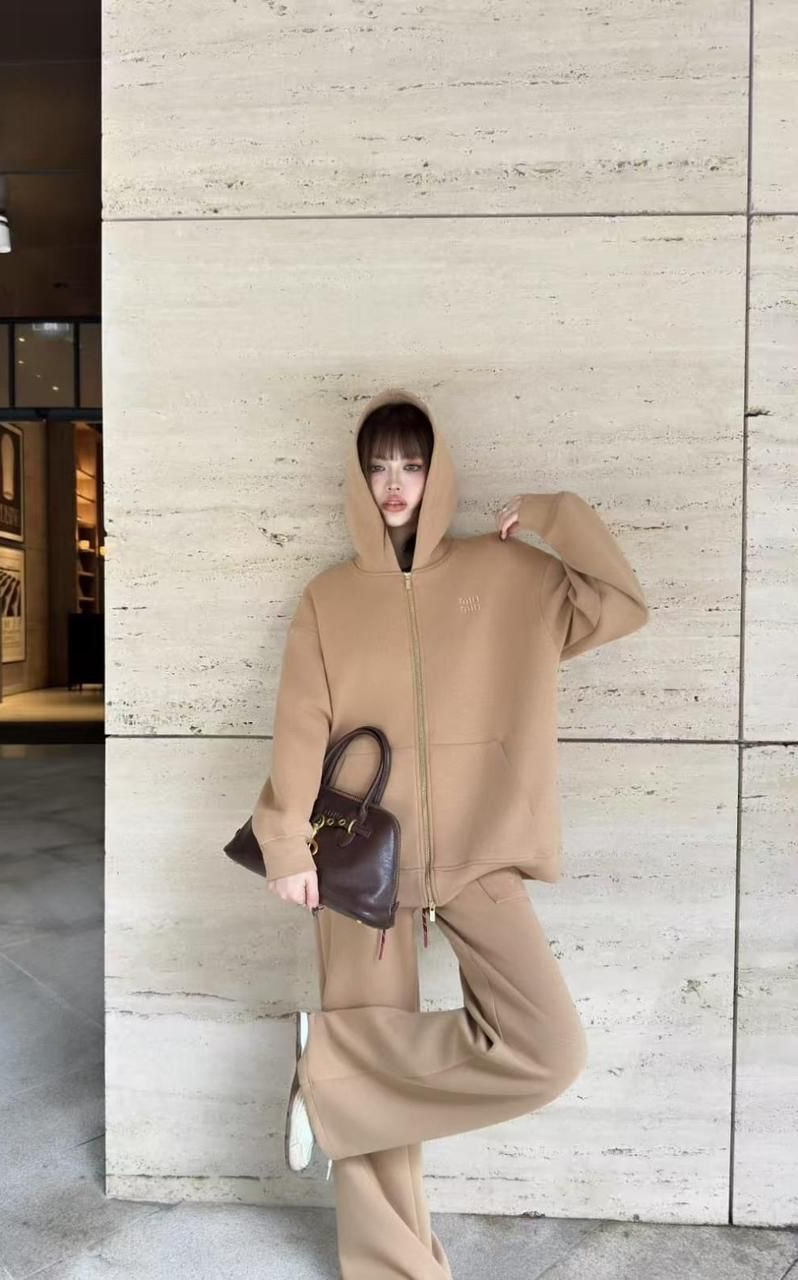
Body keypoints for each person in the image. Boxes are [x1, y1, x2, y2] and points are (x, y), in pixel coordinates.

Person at [250, 388, 650, 1279]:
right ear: (358, 478)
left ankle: (334, 1064)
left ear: (439, 473)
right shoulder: (327, 598)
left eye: (412, 463)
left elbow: (622, 602)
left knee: (547, 1049)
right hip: (358, 865)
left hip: (480, 851)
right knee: (379, 1120)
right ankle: (393, 1268)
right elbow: (301, 726)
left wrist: (551, 516)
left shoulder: (509, 578)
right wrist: (284, 845)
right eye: (378, 466)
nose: (395, 483)